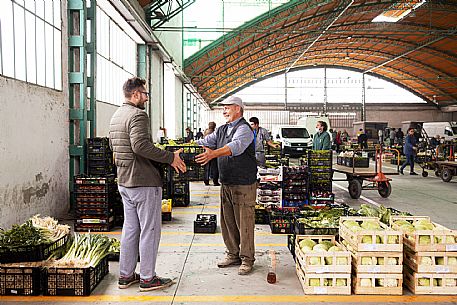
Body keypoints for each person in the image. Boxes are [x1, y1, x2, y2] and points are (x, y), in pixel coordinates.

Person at [109, 77, 187, 291]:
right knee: (150, 230)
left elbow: (114, 145)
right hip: (143, 182)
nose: (146, 98)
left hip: (124, 181)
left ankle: (125, 275)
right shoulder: (138, 115)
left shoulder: (117, 115)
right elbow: (140, 146)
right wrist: (170, 158)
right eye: (144, 94)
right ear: (135, 94)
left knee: (131, 229)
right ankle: (147, 277)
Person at [195, 96, 257, 275]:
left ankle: (247, 259)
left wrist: (213, 154)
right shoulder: (222, 129)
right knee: (228, 221)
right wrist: (188, 146)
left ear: (238, 109)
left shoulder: (244, 129)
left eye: (227, 108)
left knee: (244, 222)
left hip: (243, 183)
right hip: (227, 181)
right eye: (223, 108)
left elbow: (236, 146)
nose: (224, 111)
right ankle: (233, 254)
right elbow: (206, 142)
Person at [203, 122, 219, 186]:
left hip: (206, 151)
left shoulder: (206, 132)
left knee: (207, 167)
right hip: (214, 151)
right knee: (215, 167)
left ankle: (206, 181)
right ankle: (215, 181)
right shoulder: (215, 133)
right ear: (214, 126)